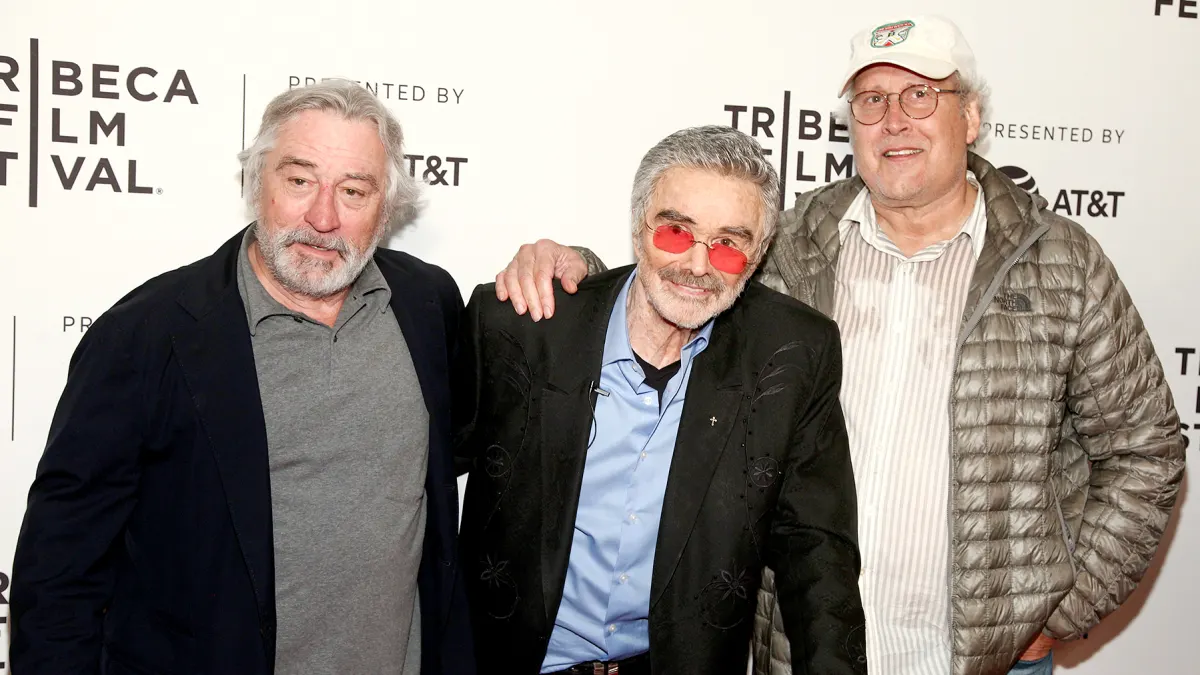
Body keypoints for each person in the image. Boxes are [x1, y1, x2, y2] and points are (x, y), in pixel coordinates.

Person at [488, 15, 1186, 675]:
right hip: (802, 646)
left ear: (970, 117)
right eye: (872, 99)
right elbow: (678, 278)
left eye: (921, 94)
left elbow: (1147, 446)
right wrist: (566, 267)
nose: (894, 120)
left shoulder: (1062, 261)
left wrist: (1061, 607)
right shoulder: (793, 241)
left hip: (985, 660)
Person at [10, 80, 473, 675]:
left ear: (387, 209)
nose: (323, 217)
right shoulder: (148, 335)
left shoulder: (426, 302)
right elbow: (60, 569)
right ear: (258, 185)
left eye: (354, 191)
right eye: (300, 181)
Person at [452, 126, 866, 675]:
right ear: (637, 229)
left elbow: (817, 554)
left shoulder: (791, 353)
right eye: (676, 232)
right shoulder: (523, 324)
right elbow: (419, 487)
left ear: (759, 253)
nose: (698, 265)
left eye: (728, 244)